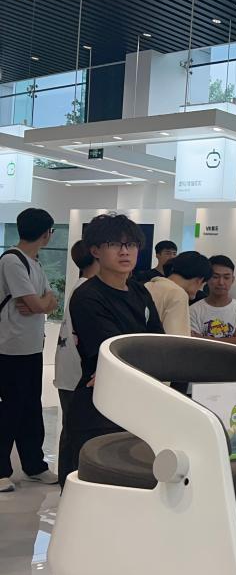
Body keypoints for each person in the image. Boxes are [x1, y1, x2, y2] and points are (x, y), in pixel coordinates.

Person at [62, 214, 164, 485]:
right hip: (99, 406)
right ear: (95, 250)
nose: (124, 251)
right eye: (114, 244)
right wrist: (137, 360)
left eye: (131, 244)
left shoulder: (139, 291)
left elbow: (159, 343)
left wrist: (137, 360)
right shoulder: (87, 296)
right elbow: (113, 350)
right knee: (93, 486)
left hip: (137, 401)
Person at [0, 208, 59, 492]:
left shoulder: (34, 262)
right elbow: (37, 304)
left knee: (30, 408)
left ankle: (34, 465)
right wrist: (41, 303)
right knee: (9, 409)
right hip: (9, 348)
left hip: (32, 348)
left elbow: (50, 300)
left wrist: (41, 303)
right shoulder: (12, 260)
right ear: (47, 233)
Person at [54, 240, 100, 486]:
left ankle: (68, 484)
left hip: (70, 373)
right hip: (77, 375)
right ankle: (70, 485)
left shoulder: (80, 287)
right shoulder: (87, 292)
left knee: (71, 431)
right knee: (75, 433)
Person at [189, 255, 236, 346]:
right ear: (207, 278)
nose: (221, 282)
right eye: (215, 277)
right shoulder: (193, 310)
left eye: (226, 278)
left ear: (232, 280)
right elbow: (194, 344)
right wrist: (233, 339)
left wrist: (203, 339)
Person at [146, 251, 212, 336]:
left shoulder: (147, 285)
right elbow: (176, 339)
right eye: (203, 284)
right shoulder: (178, 295)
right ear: (199, 280)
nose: (199, 289)